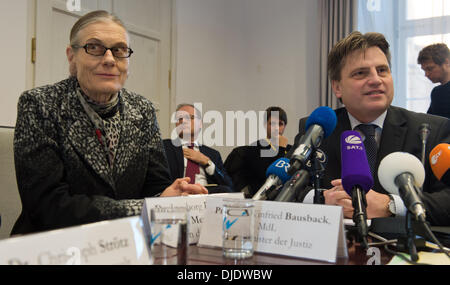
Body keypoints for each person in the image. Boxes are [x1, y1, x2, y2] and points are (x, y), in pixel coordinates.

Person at [12, 10, 207, 235]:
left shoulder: (143, 110)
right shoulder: (39, 104)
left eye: (119, 50)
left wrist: (174, 196)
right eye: (94, 47)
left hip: (129, 244)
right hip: (54, 246)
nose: (109, 59)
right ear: (71, 56)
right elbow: (48, 207)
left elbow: (156, 189)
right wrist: (144, 208)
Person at [297, 32, 450, 226]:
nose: (376, 80)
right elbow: (287, 187)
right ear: (337, 87)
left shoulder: (431, 130)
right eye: (361, 73)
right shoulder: (316, 130)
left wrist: (391, 204)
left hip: (404, 251)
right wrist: (323, 199)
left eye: (382, 70)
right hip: (336, 250)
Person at [163, 104, 233, 193]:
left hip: (206, 196)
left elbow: (228, 185)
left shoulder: (213, 154)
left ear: (200, 124)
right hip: (178, 194)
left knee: (226, 190)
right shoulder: (164, 147)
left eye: (190, 117)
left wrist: (207, 162)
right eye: (180, 119)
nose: (184, 121)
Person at [224, 106, 291, 197]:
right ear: (265, 125)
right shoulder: (255, 148)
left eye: (280, 124)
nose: (276, 128)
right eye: (272, 124)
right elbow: (265, 175)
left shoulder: (291, 149)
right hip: (264, 196)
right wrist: (281, 149)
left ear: (285, 126)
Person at [417, 43, 450, 119]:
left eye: (430, 69)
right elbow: (430, 121)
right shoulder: (436, 92)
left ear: (446, 63)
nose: (426, 74)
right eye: (424, 70)